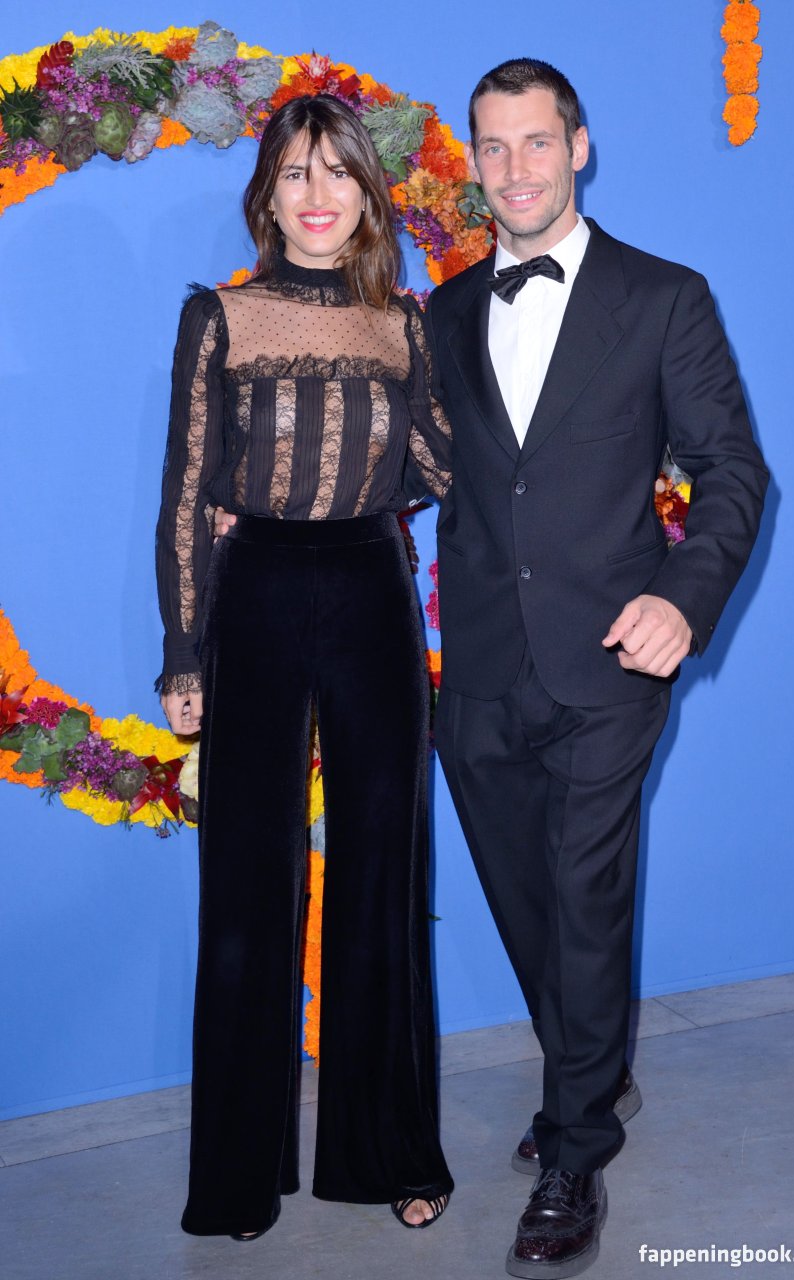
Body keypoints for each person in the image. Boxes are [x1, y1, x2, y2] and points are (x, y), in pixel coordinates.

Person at [425, 59, 769, 1277]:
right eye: (491, 146)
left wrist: (681, 599)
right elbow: (418, 467)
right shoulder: (442, 313)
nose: (514, 168)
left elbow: (732, 469)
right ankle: (595, 1063)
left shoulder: (664, 297)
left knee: (583, 893)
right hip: (477, 663)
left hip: (611, 656)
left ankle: (574, 1146)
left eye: (536, 141)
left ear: (578, 146)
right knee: (526, 899)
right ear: (473, 161)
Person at [155, 93, 453, 1241]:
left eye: (337, 172)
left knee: (384, 873)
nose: (317, 194)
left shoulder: (403, 324)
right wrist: (183, 650)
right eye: (294, 172)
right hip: (259, 596)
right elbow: (188, 493)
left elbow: (443, 463)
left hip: (373, 593)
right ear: (267, 196)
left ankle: (392, 1151)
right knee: (245, 884)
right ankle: (237, 1177)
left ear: (367, 193)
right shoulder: (219, 317)